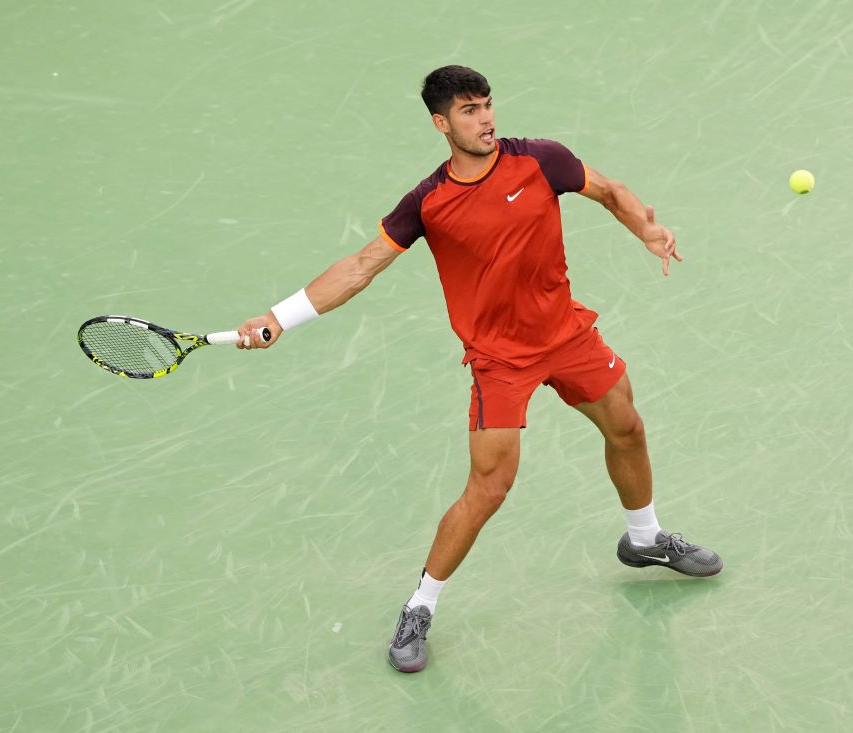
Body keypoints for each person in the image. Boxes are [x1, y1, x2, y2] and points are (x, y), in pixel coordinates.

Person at [236, 65, 723, 673]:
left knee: (626, 425)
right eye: (469, 110)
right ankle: (420, 605)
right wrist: (280, 318)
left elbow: (608, 190)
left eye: (488, 105)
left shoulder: (542, 160)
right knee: (490, 486)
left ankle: (645, 539)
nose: (486, 118)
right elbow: (361, 265)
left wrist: (645, 228)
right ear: (441, 124)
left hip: (566, 333)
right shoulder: (429, 203)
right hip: (500, 360)